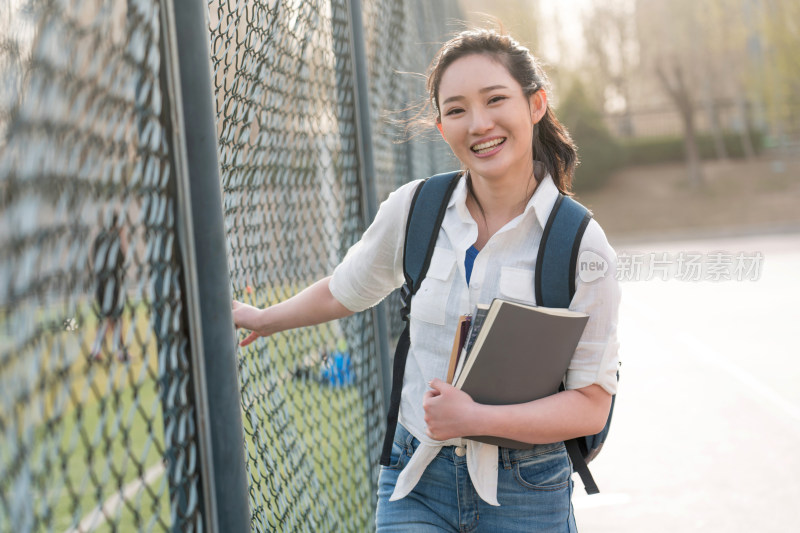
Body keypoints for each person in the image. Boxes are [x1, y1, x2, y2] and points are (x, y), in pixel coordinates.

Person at [233, 28, 620, 533]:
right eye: (456, 110)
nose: (479, 124)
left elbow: (591, 405)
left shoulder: (582, 246)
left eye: (496, 99)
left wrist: (476, 420)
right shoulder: (416, 209)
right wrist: (265, 317)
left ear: (536, 104)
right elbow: (345, 288)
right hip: (415, 480)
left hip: (528, 490)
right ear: (441, 128)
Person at [90, 210, 129, 362]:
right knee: (114, 317)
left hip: (100, 281)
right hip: (111, 283)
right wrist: (122, 237)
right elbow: (122, 258)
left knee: (109, 317)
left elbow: (94, 259)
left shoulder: (98, 238)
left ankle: (101, 349)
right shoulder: (114, 239)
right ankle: (114, 351)